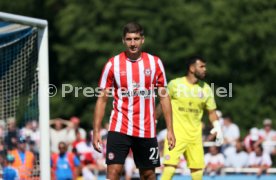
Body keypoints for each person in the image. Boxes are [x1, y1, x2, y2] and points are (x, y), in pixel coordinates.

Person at [92, 22, 175, 180]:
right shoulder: (112, 64)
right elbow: (102, 99)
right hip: (119, 126)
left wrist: (170, 129)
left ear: (142, 40)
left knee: (148, 174)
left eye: (136, 39)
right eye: (129, 39)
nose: (132, 43)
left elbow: (164, 96)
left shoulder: (155, 63)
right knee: (113, 172)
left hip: (146, 128)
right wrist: (96, 130)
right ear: (123, 40)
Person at [160, 56, 223, 180]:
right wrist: (154, 119)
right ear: (192, 68)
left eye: (205, 66)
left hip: (195, 136)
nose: (205, 69)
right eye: (202, 66)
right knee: (170, 168)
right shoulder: (175, 84)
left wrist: (217, 127)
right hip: (176, 134)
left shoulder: (206, 89)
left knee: (198, 171)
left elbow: (211, 112)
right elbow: (162, 103)